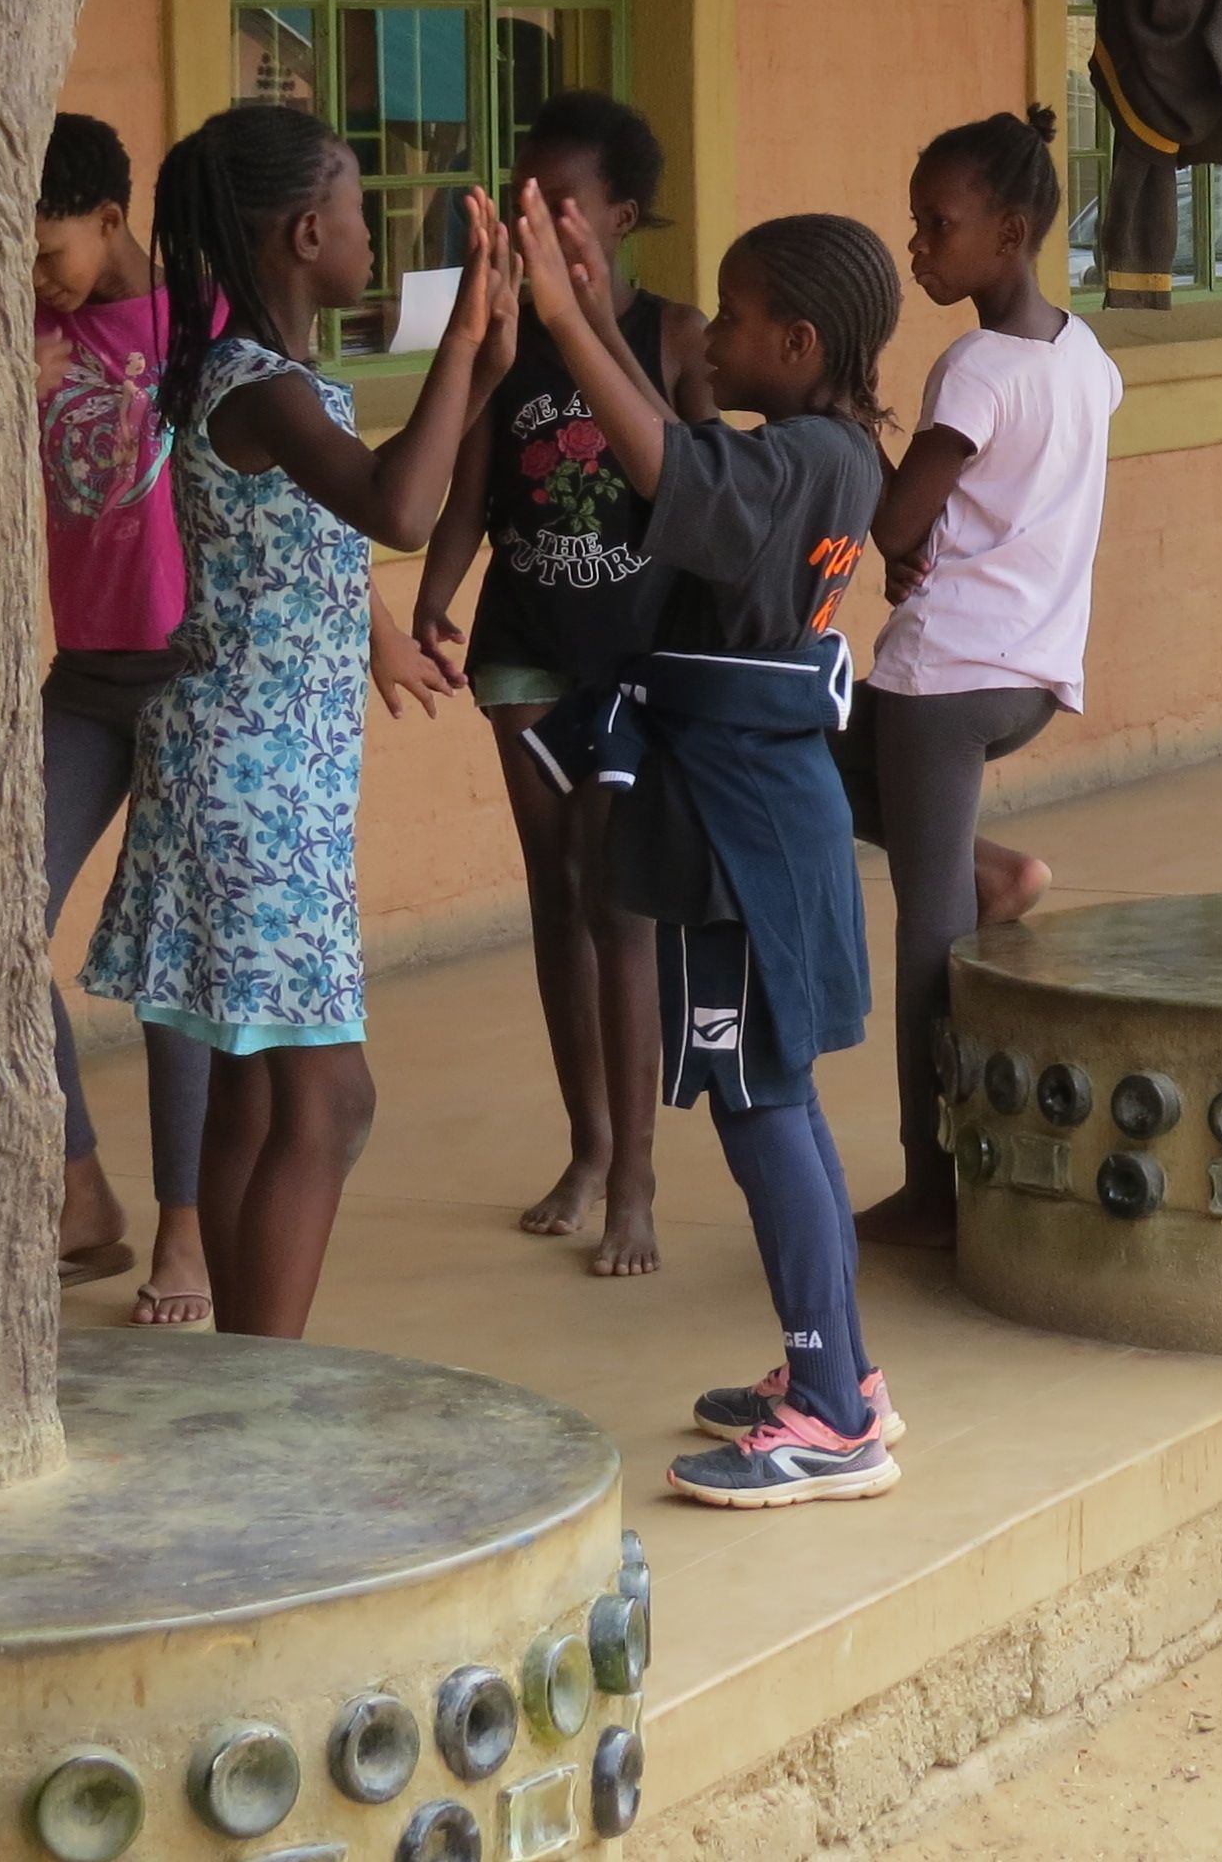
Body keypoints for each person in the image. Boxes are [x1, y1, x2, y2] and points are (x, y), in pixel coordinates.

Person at [83, 105, 506, 1340]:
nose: (375, 232)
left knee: (257, 1102)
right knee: (331, 1102)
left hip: (261, 779)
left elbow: (397, 486)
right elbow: (401, 509)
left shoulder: (269, 384)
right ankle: (269, 1386)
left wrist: (482, 358)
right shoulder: (260, 393)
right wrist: (462, 338)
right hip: (253, 787)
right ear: (308, 231)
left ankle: (239, 1377)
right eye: (363, 208)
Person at [513, 182, 905, 1509]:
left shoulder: (796, 461)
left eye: (732, 322)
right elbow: (685, 463)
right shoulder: (830, 454)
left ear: (797, 345)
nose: (710, 342)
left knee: (760, 1108)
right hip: (759, 812)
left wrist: (569, 317)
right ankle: (837, 1375)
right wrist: (600, 326)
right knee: (778, 1098)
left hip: (744, 828)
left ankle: (830, 1416)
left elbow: (673, 468)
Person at [408, 92, 712, 1278]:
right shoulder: (508, 338)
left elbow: (704, 494)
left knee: (616, 907)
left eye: (558, 203)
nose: (530, 221)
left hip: (635, 664)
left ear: (620, 219)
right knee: (556, 898)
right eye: (519, 199)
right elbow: (475, 491)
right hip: (525, 653)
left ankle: (635, 1176)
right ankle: (586, 1147)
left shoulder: (676, 338)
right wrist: (436, 589)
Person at [849, 109, 1121, 1249]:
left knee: (924, 936)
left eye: (937, 226)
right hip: (1029, 673)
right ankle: (988, 869)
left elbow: (896, 516)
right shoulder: (1085, 356)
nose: (918, 247)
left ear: (1009, 233)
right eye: (915, 225)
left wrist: (864, 439)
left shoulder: (974, 365)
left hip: (942, 677)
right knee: (826, 778)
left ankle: (929, 1181)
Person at [33, 113, 220, 1327]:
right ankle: (80, 1188)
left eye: (51, 255)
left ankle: (187, 1234)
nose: (37, 282)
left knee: (173, 965)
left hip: (190, 673)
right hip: (85, 676)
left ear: (112, 222)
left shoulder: (203, 330)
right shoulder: (24, 329)